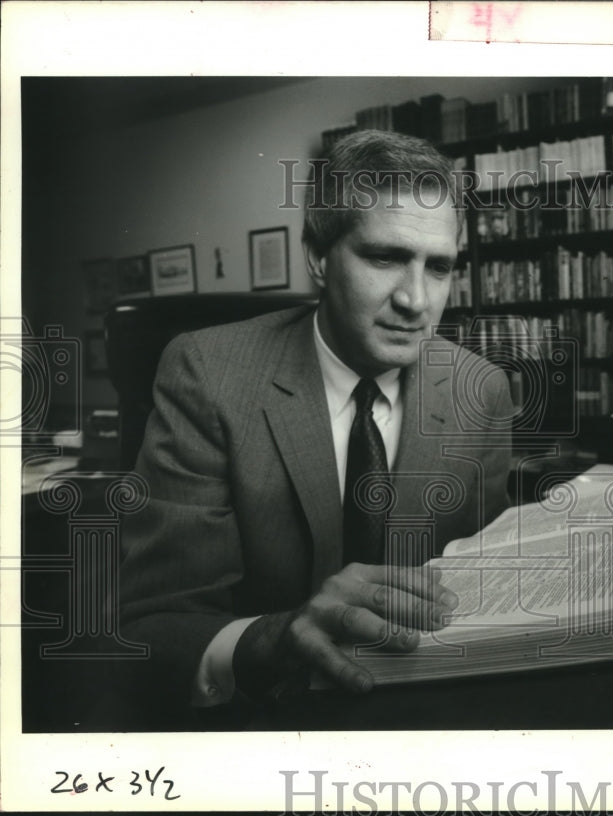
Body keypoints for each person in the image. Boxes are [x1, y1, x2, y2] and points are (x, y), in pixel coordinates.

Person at [117, 130, 513, 724]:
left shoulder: (480, 390)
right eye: (384, 257)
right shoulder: (206, 374)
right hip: (266, 722)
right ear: (319, 259)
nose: (416, 300)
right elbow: (153, 628)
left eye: (439, 267)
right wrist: (279, 637)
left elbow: (484, 586)